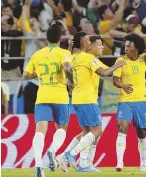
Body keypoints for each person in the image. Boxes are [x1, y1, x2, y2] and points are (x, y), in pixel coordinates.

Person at [56, 32, 126, 172]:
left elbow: (68, 68)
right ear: (85, 44)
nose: (100, 47)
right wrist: (118, 65)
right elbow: (105, 72)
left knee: (87, 132)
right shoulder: (88, 58)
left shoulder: (75, 57)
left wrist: (70, 48)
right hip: (87, 99)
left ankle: (81, 164)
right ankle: (70, 154)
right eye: (88, 40)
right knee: (97, 130)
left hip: (77, 99)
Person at [23, 24, 73, 177]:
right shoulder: (64, 53)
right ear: (60, 38)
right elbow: (66, 66)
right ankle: (51, 151)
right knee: (62, 129)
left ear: (46, 38)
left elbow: (26, 75)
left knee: (40, 132)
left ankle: (38, 165)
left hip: (42, 95)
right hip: (60, 96)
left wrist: (39, 76)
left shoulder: (37, 54)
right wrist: (71, 80)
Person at [113, 33, 146, 172]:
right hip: (125, 101)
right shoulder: (120, 60)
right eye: (125, 45)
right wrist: (122, 86)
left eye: (129, 45)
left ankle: (143, 164)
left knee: (141, 132)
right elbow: (115, 81)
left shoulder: (143, 59)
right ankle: (119, 162)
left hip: (141, 101)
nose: (126, 47)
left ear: (137, 47)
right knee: (122, 128)